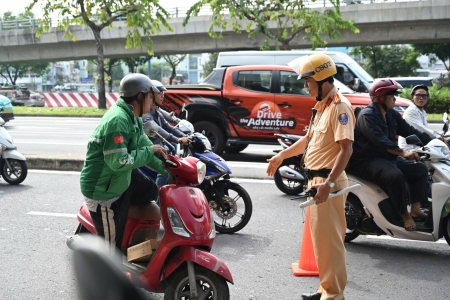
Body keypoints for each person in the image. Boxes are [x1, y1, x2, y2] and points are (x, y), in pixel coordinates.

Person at [267, 53, 355, 300]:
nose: (305, 86)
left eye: (308, 81)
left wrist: (327, 184)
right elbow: (308, 141)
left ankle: (334, 295)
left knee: (331, 244)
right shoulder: (322, 107)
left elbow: (346, 148)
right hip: (316, 182)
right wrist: (281, 156)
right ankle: (325, 289)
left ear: (322, 79)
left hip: (328, 182)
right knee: (322, 243)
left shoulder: (339, 107)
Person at [80, 73, 169, 252]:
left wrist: (170, 169)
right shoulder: (118, 120)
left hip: (119, 177)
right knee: (111, 252)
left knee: (152, 191)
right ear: (139, 96)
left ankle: (131, 234)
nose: (152, 102)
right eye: (150, 97)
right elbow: (119, 162)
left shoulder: (134, 116)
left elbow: (146, 147)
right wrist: (149, 151)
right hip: (103, 189)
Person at [346, 78, 432, 232]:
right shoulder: (368, 115)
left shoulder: (392, 114)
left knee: (419, 169)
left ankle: (415, 209)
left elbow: (410, 131)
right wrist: (404, 152)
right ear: (380, 97)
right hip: (366, 160)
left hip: (386, 158)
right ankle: (404, 214)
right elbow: (381, 141)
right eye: (392, 95)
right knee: (395, 176)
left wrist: (435, 141)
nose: (395, 98)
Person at [142, 80, 190, 188]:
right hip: (150, 151)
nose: (162, 96)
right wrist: (177, 139)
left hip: (160, 148)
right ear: (151, 95)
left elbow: (169, 128)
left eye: (163, 93)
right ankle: (160, 198)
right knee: (165, 170)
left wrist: (185, 136)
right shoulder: (146, 114)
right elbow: (159, 130)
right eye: (160, 93)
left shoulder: (157, 112)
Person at [398, 84, 450, 150]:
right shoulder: (411, 111)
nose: (421, 98)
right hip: (410, 148)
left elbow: (425, 129)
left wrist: (438, 134)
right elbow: (422, 129)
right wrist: (440, 138)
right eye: (418, 95)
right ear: (412, 97)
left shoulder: (422, 111)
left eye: (424, 96)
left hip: (420, 144)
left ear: (427, 98)